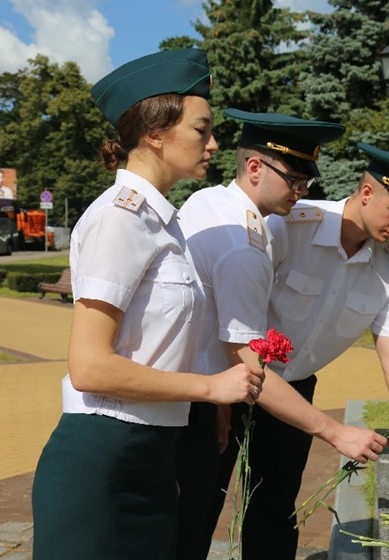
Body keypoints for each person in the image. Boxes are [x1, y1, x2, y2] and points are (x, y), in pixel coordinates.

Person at [31, 49, 265, 560]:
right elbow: (90, 366)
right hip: (101, 462)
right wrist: (211, 387)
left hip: (152, 456)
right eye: (201, 130)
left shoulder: (165, 223)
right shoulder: (121, 218)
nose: (212, 143)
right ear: (156, 132)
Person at [201, 142, 389, 559]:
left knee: (274, 513)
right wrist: (218, 391)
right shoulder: (290, 225)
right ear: (366, 194)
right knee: (202, 501)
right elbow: (229, 311)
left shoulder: (386, 270)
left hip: (293, 396)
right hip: (231, 381)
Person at [175, 108, 346, 560]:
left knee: (186, 521)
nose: (302, 192)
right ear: (255, 168)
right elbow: (246, 362)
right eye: (294, 180)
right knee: (189, 523)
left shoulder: (208, 201)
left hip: (194, 391)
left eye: (306, 183)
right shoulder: (245, 247)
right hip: (193, 403)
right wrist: (334, 432)